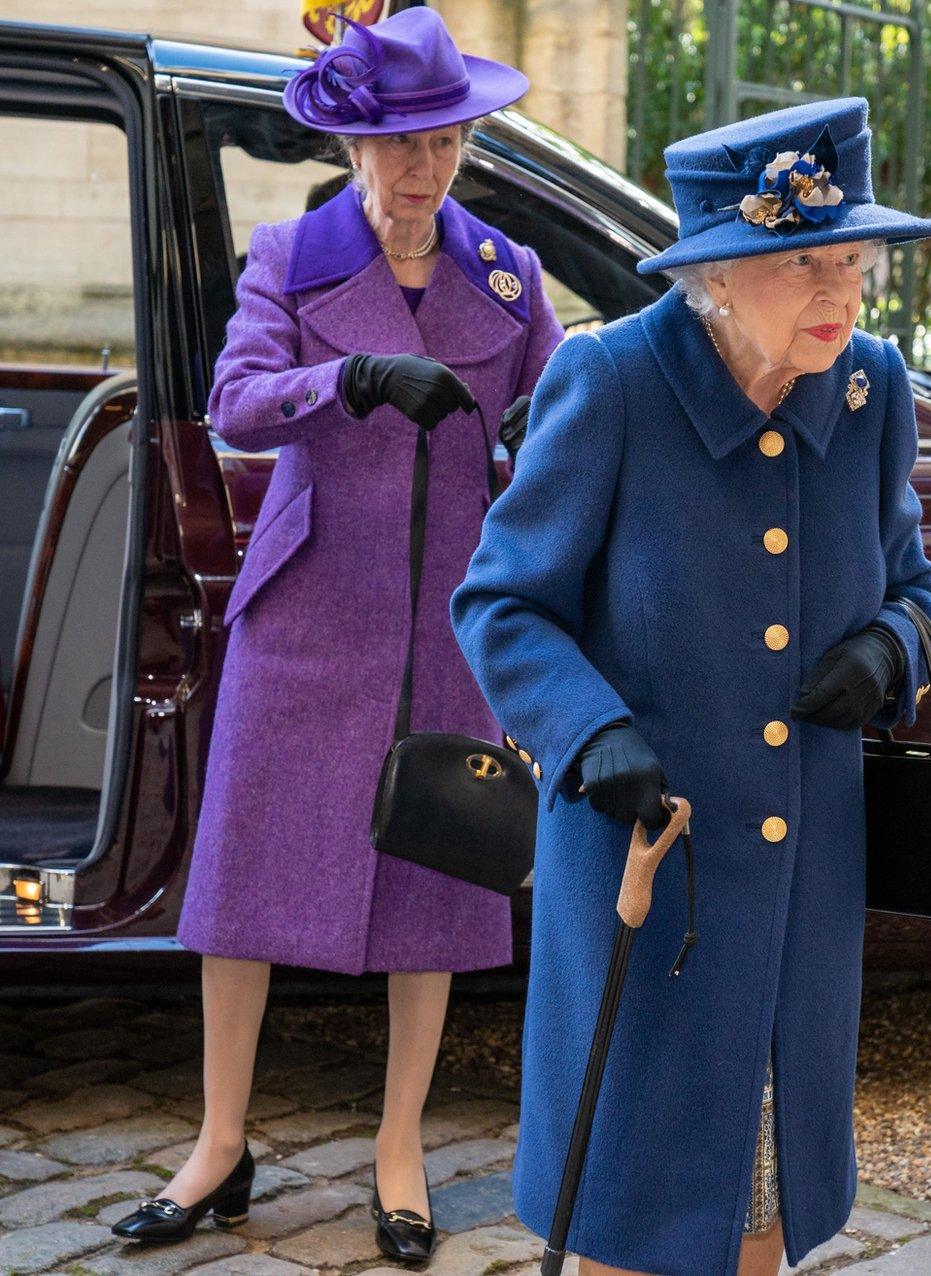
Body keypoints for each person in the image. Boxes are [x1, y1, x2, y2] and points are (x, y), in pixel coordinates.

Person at [449, 96, 931, 1276]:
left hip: (801, 894)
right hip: (652, 874)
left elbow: (916, 587)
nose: (842, 291)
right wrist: (588, 729)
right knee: (633, 1205)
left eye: (853, 259)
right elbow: (500, 600)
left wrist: (889, 648)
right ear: (717, 278)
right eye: (804, 263)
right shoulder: (614, 383)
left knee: (762, 1209)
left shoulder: (868, 389)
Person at [112, 7, 563, 1262]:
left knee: (435, 879)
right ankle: (218, 1145)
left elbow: (569, 411)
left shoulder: (509, 277)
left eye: (445, 142)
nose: (422, 173)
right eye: (399, 147)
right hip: (306, 617)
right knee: (243, 889)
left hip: (448, 627)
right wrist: (349, 381)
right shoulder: (287, 260)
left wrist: (532, 450)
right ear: (353, 148)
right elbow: (236, 406)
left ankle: (400, 1147)